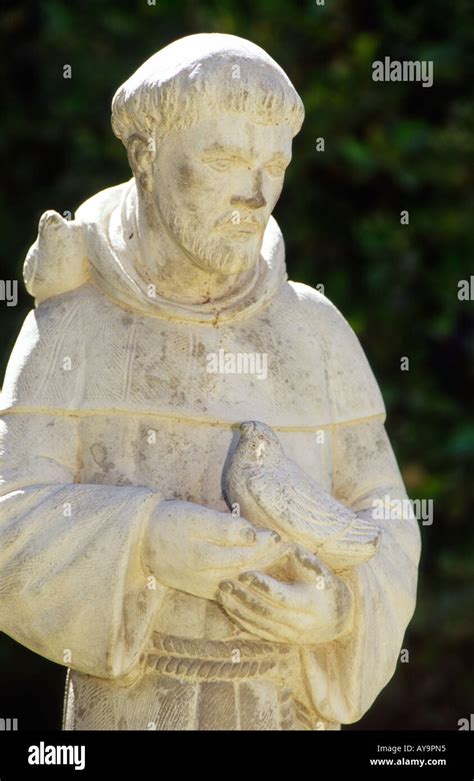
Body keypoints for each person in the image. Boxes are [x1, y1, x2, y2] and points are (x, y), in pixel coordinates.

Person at [0, 33, 421, 730]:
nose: (257, 194)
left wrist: (342, 610)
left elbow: (389, 521)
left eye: (275, 164)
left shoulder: (315, 333)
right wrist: (146, 540)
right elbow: (8, 521)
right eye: (225, 158)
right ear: (146, 156)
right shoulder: (71, 329)